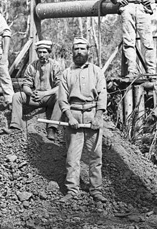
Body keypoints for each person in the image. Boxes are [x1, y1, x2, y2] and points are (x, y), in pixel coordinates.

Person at [57, 38, 108, 203]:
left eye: (82, 48)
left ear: (88, 51)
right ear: (72, 52)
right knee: (72, 157)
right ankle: (72, 190)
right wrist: (70, 117)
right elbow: (62, 99)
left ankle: (96, 190)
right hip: (75, 115)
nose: (79, 52)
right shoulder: (66, 73)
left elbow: (102, 94)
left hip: (92, 113)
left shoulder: (96, 71)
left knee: (95, 156)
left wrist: (99, 117)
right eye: (76, 49)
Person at [3, 40, 63, 141]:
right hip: (35, 97)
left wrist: (44, 93)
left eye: (44, 52)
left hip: (49, 97)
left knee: (61, 97)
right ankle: (16, 126)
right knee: (17, 96)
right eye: (39, 52)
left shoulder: (55, 66)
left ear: (49, 52)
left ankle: (52, 128)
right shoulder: (32, 66)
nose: (42, 55)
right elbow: (26, 85)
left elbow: (60, 86)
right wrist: (31, 93)